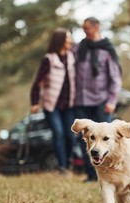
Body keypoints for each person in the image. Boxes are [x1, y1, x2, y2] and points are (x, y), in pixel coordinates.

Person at [73, 17, 122, 182]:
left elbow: (115, 78)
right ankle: (91, 175)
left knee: (105, 140)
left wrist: (112, 101)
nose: (85, 31)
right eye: (83, 28)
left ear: (96, 27)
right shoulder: (80, 48)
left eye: (88, 28)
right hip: (80, 100)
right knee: (86, 140)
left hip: (101, 101)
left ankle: (107, 175)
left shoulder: (106, 50)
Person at [30, 28, 76, 174]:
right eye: (68, 38)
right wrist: (35, 102)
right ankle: (62, 167)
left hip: (69, 104)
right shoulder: (49, 59)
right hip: (52, 105)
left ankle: (68, 161)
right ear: (60, 40)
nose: (70, 41)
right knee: (58, 133)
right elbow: (37, 82)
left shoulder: (72, 57)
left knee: (70, 135)